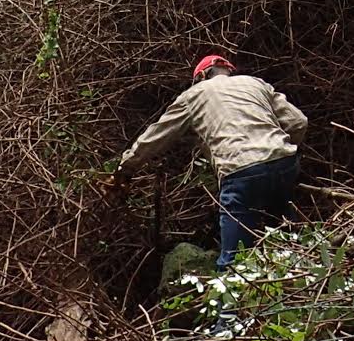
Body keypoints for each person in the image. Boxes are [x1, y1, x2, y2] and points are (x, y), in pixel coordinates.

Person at [117, 55, 307, 269]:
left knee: (234, 261)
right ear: (229, 70)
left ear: (201, 76)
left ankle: (232, 282)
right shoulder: (256, 83)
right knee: (288, 239)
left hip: (240, 171)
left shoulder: (194, 95)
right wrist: (280, 149)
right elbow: (298, 122)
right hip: (284, 163)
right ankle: (303, 273)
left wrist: (126, 167)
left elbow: (156, 137)